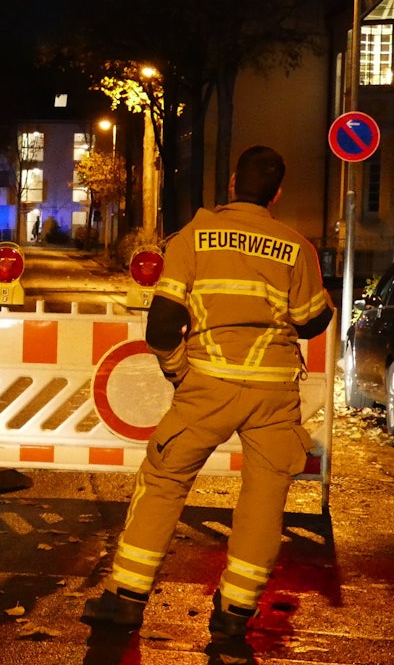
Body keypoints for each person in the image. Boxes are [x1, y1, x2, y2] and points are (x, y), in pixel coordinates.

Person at [80, 145, 333, 638]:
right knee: (264, 498)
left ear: (233, 182)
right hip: (274, 395)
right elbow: (310, 323)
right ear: (277, 193)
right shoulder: (296, 246)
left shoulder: (194, 237)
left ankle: (128, 599)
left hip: (208, 386)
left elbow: (162, 325)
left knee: (164, 479)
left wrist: (179, 371)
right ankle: (235, 613)